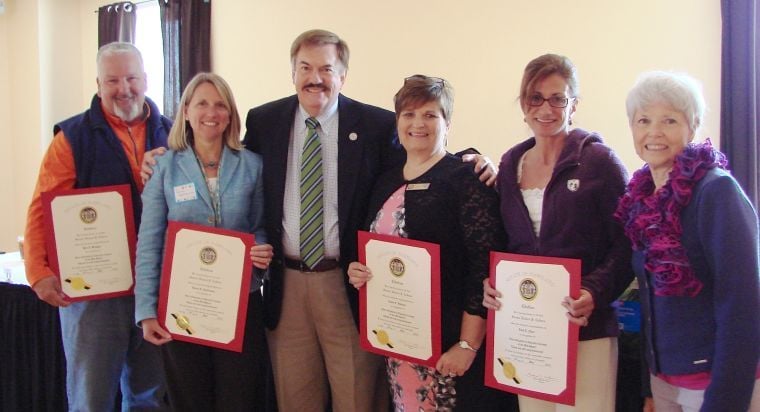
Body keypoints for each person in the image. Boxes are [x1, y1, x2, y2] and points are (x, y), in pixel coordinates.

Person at [240, 30, 496, 412]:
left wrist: (474, 159)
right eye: (305, 67)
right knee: (294, 397)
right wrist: (167, 152)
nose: (315, 78)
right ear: (292, 72)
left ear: (343, 75)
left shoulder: (375, 125)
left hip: (347, 283)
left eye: (327, 68)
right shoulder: (265, 121)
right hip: (286, 283)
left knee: (357, 396)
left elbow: (423, 155)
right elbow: (236, 168)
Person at [347, 75, 518, 411]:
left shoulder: (467, 179)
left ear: (447, 122)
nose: (417, 124)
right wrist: (359, 272)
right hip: (401, 344)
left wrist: (468, 345)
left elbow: (482, 268)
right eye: (408, 114)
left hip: (452, 347)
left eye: (430, 114)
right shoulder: (384, 182)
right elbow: (375, 249)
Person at [23, 42, 170, 411]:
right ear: (98, 84)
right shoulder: (71, 137)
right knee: (91, 398)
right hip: (92, 295)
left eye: (132, 78)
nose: (124, 88)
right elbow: (44, 207)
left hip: (154, 289)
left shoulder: (174, 133)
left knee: (149, 398)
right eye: (113, 80)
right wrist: (38, 272)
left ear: (146, 79)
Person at [482, 53, 633, 411]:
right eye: (536, 97)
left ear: (574, 104)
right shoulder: (509, 165)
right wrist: (492, 283)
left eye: (558, 98)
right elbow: (504, 243)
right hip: (527, 331)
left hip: (585, 328)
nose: (546, 108)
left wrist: (594, 292)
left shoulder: (600, 161)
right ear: (523, 104)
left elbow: (629, 242)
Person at [615, 71, 760, 412]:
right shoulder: (640, 198)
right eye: (643, 120)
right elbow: (648, 300)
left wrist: (724, 401)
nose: (654, 132)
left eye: (669, 120)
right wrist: (648, 387)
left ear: (692, 126)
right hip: (664, 382)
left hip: (718, 384)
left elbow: (743, 304)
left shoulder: (716, 191)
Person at [134, 72, 274, 411]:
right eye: (201, 104)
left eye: (219, 104)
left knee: (239, 399)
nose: (211, 112)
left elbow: (259, 227)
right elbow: (150, 243)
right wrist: (146, 311)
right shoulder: (164, 168)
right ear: (186, 111)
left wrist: (261, 248)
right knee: (190, 399)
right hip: (182, 305)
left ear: (230, 114)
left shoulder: (252, 166)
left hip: (241, 303)